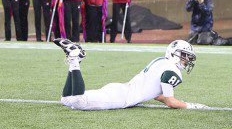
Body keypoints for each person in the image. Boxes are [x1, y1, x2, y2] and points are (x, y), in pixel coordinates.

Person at [53, 38, 208, 111]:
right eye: (184, 55)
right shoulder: (172, 71)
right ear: (175, 53)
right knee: (79, 101)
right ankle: (74, 59)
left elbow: (156, 94)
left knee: (66, 99)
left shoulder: (160, 61)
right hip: (121, 97)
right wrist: (190, 105)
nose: (186, 59)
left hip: (119, 90)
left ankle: (74, 60)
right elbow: (170, 102)